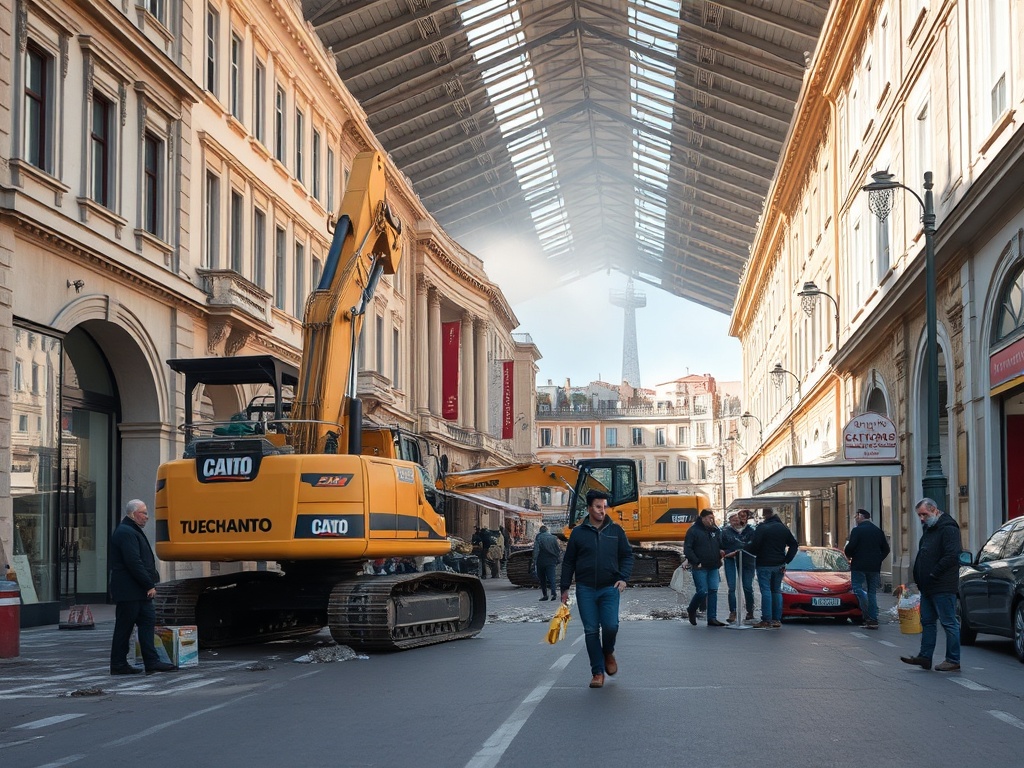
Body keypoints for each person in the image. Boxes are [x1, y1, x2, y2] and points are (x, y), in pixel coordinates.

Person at [560, 490, 634, 689]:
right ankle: (597, 672)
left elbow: (627, 556)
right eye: (598, 507)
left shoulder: (616, 531)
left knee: (611, 626)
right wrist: (564, 588)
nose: (603, 511)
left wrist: (623, 578)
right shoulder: (578, 533)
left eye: (604, 506)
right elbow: (569, 562)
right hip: (585, 589)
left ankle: (608, 651)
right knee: (591, 630)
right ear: (589, 508)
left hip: (610, 587)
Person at [109, 499, 176, 675]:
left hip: (138, 591)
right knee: (124, 627)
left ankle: (151, 662)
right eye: (143, 513)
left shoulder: (131, 530)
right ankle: (118, 664)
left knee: (147, 622)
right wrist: (149, 584)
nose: (147, 517)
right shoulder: (126, 532)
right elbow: (133, 562)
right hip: (130, 591)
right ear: (133, 514)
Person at [901, 498, 962, 672]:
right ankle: (925, 657)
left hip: (942, 585)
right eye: (919, 515)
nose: (921, 518)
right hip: (927, 586)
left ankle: (953, 659)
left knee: (948, 622)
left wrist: (933, 573)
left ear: (934, 509)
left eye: (924, 514)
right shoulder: (930, 528)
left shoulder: (949, 528)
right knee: (927, 622)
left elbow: (952, 555)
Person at [750, 506, 799, 629]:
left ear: (764, 516)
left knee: (766, 591)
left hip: (764, 564)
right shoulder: (782, 528)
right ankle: (776, 619)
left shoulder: (762, 528)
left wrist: (745, 549)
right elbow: (794, 545)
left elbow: (754, 545)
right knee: (776, 590)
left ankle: (766, 619)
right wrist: (786, 560)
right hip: (779, 564)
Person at [844, 508, 891, 629]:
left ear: (861, 516)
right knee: (872, 592)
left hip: (859, 566)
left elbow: (850, 548)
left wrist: (850, 555)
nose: (856, 519)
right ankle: (873, 619)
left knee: (858, 589)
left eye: (856, 517)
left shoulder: (857, 531)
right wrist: (878, 559)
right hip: (874, 567)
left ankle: (867, 615)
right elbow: (886, 549)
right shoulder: (878, 531)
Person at [683, 509, 726, 627]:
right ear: (702, 518)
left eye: (712, 518)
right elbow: (687, 548)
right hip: (700, 566)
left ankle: (712, 617)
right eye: (709, 518)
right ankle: (691, 609)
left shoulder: (715, 530)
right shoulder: (693, 531)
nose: (711, 520)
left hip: (713, 565)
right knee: (702, 591)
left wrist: (721, 550)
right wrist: (696, 561)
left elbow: (720, 544)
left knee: (713, 590)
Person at [722, 509, 756, 623]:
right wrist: (725, 553)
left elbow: (752, 545)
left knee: (747, 586)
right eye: (734, 519)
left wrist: (738, 551)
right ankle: (733, 612)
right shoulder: (725, 531)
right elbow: (720, 546)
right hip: (730, 560)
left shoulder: (751, 531)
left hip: (747, 561)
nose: (737, 521)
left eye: (739, 518)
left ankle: (750, 611)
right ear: (730, 521)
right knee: (732, 587)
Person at [532, 525, 561, 600]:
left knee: (542, 578)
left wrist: (534, 560)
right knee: (552, 577)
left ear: (540, 531)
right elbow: (558, 549)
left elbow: (536, 550)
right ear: (547, 530)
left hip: (541, 560)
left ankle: (545, 595)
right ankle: (554, 593)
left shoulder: (539, 538)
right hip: (551, 560)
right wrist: (558, 558)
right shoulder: (554, 538)